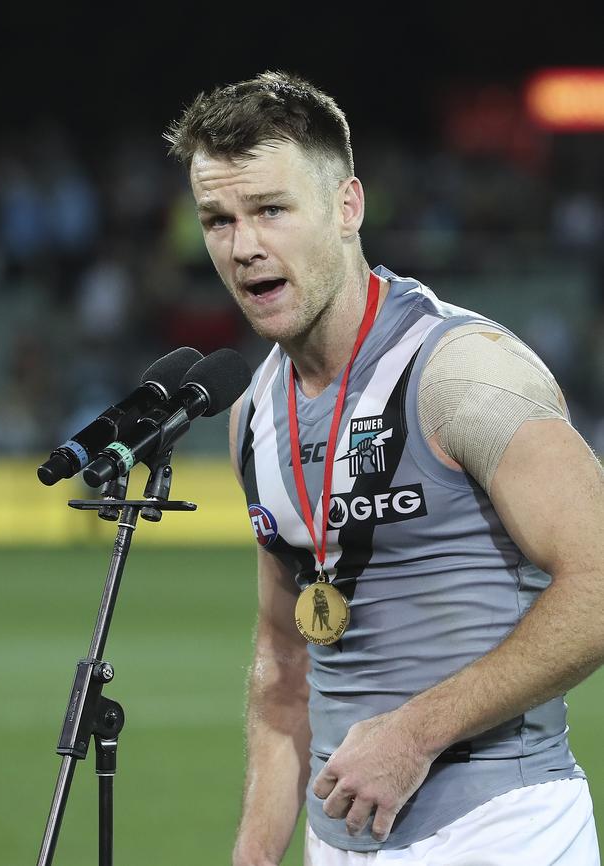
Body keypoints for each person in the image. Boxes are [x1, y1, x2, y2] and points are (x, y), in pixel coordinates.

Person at [165, 71, 604, 866]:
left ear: (347, 207)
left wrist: (413, 734)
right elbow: (284, 659)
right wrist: (258, 854)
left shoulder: (462, 372)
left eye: (270, 209)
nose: (244, 245)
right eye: (218, 219)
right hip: (340, 838)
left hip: (501, 828)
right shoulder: (252, 414)